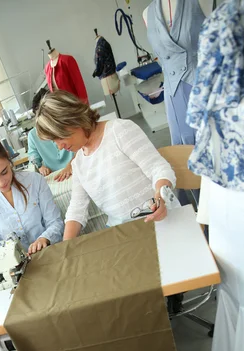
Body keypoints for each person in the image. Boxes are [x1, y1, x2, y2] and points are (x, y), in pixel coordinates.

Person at [36, 90, 177, 240]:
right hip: (124, 233)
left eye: (58, 137)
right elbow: (77, 209)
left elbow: (158, 168)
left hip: (160, 219)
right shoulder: (78, 163)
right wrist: (67, 246)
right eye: (53, 141)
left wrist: (160, 197)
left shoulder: (119, 131)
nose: (59, 146)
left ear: (71, 120)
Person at [0, 136, 64, 255]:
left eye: (4, 172)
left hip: (49, 253)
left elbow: (55, 222)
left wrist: (44, 239)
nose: (1, 182)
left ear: (9, 159)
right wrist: (4, 254)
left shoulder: (35, 181)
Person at [28, 88, 74, 181]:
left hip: (75, 166)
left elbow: (82, 148)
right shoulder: (33, 135)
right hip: (54, 174)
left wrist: (71, 164)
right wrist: (40, 167)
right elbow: (33, 158)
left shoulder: (66, 123)